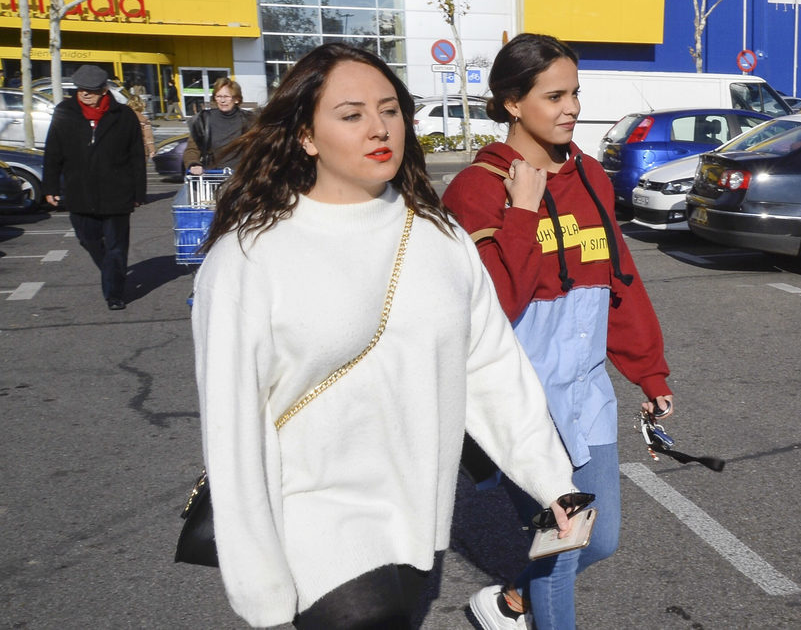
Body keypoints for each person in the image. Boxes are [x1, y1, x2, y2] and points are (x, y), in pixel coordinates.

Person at [191, 42, 580, 629]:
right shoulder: (250, 257)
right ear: (306, 135)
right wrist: (259, 582)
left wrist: (550, 478)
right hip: (312, 515)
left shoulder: (437, 236)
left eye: (390, 109)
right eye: (351, 115)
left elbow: (490, 366)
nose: (379, 128)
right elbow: (233, 427)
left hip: (418, 513)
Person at [442, 33, 675, 630]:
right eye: (554, 96)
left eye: (575, 93)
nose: (571, 107)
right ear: (512, 103)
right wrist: (522, 210)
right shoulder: (476, 190)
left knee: (600, 539)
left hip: (585, 394)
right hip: (521, 403)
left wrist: (648, 371)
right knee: (565, 545)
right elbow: (492, 303)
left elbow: (618, 280)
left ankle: (509, 603)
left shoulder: (593, 177)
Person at [41, 65, 146, 310]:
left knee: (116, 247)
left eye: (91, 90)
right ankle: (112, 272)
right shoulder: (65, 112)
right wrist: (50, 186)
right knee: (87, 239)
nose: (85, 94)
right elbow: (53, 152)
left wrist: (138, 193)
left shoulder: (124, 116)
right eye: (80, 90)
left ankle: (114, 294)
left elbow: (136, 156)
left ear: (104, 90)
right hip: (80, 192)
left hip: (117, 193)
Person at [183, 77, 255, 175]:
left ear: (237, 99)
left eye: (226, 96)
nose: (222, 100)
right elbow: (192, 149)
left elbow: (262, 147)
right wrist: (193, 164)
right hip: (213, 176)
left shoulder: (250, 120)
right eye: (219, 96)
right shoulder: (204, 119)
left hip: (242, 176)